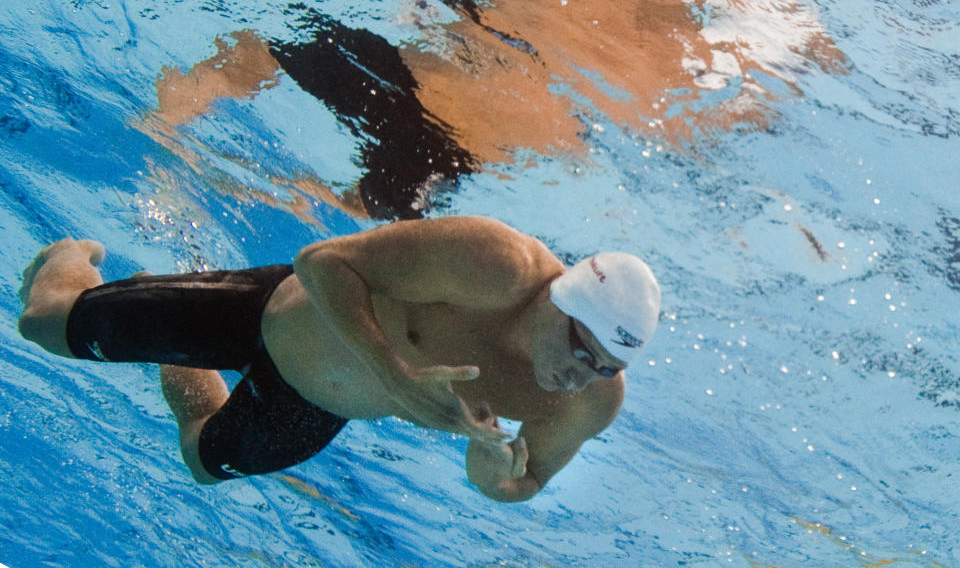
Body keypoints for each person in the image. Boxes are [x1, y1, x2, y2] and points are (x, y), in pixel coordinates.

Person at [18, 215, 660, 502]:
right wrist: (395, 375)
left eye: (604, 367)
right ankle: (71, 258)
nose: (580, 377)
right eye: (581, 351)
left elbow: (524, 485)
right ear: (558, 301)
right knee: (42, 324)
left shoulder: (591, 400)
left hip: (317, 404)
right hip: (270, 313)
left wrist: (490, 478)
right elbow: (322, 262)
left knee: (201, 463)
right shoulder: (491, 263)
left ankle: (170, 347)